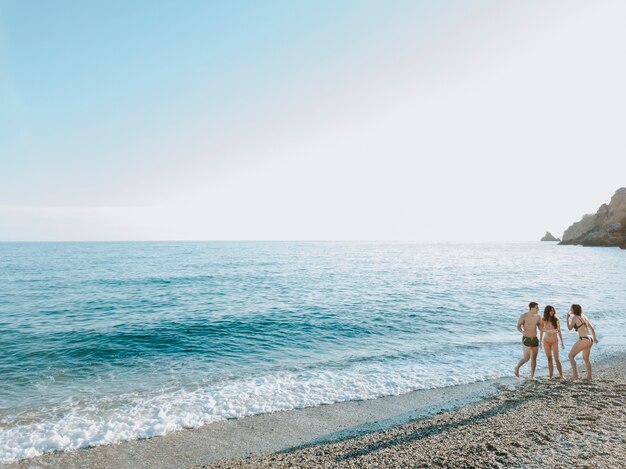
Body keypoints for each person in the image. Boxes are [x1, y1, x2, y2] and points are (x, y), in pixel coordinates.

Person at [566, 304, 598, 381]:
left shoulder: (574, 318)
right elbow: (592, 328)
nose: (570, 309)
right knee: (586, 358)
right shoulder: (584, 316)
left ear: (574, 309)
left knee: (571, 356)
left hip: (584, 339)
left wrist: (567, 319)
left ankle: (575, 376)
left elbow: (570, 328)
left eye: (571, 308)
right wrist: (595, 338)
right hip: (590, 339)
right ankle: (589, 376)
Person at [515, 302, 542, 379]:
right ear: (532, 308)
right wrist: (522, 331)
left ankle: (532, 376)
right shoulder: (524, 316)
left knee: (534, 359)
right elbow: (518, 326)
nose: (538, 309)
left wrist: (548, 331)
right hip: (526, 339)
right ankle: (517, 367)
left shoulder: (538, 317)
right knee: (526, 358)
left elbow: (540, 328)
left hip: (535, 339)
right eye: (537, 307)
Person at [539, 305, 564, 378]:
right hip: (546, 341)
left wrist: (562, 341)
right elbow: (541, 331)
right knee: (549, 359)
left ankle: (561, 375)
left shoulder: (556, 319)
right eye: (550, 310)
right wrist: (540, 341)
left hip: (555, 341)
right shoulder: (543, 319)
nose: (552, 312)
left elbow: (559, 331)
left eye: (553, 310)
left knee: (557, 359)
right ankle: (551, 376)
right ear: (547, 311)